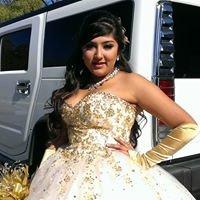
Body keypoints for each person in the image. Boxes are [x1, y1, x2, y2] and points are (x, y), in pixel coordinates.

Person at [26, 10, 199, 200]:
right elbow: (62, 138)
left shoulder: (132, 82)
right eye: (90, 46)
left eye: (107, 46)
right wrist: (43, 168)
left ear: (118, 50)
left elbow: (187, 127)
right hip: (60, 176)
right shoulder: (76, 86)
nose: (98, 55)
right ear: (81, 51)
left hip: (113, 180)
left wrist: (144, 159)